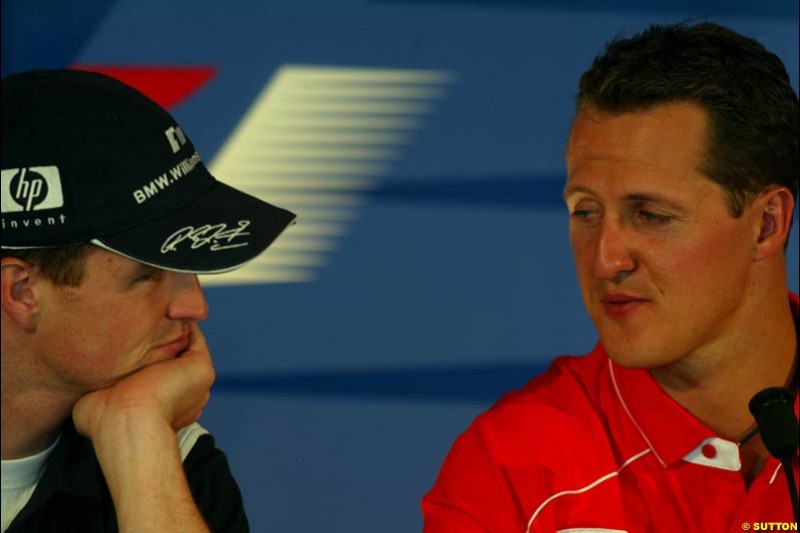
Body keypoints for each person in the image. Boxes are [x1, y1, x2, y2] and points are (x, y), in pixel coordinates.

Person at [422, 21, 798, 531]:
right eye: (586, 212)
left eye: (650, 215)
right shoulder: (510, 467)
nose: (606, 260)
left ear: (765, 224)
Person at [1, 69, 296, 532]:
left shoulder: (165, 454)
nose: (194, 307)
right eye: (148, 274)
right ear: (22, 293)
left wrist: (135, 430)